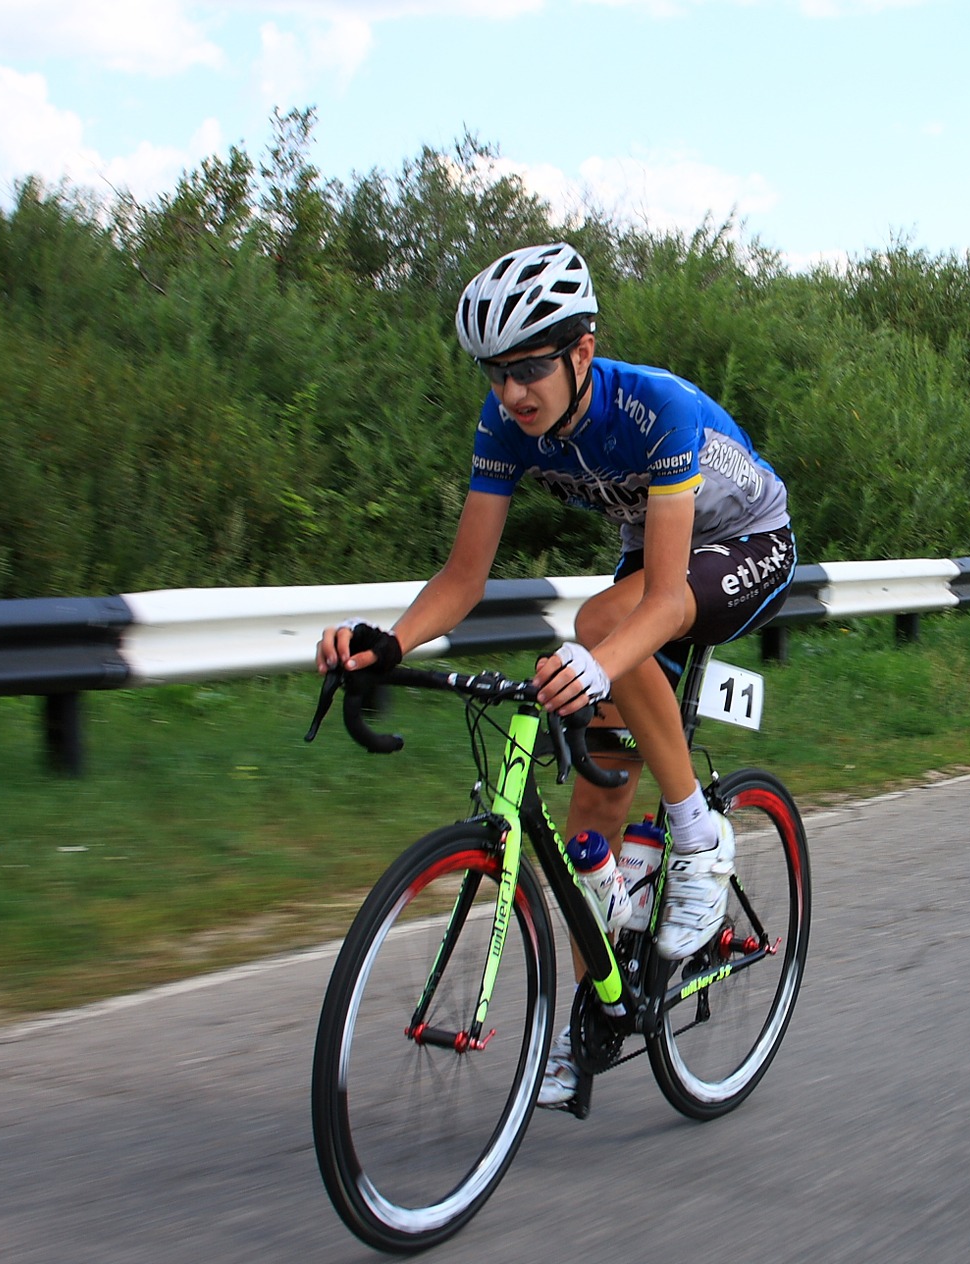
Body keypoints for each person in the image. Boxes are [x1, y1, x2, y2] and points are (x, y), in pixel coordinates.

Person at [317, 241, 795, 1107]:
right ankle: (597, 1017)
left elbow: (662, 601)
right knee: (595, 804)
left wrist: (595, 660)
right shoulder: (507, 423)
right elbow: (463, 580)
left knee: (599, 627)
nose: (512, 393)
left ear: (582, 351)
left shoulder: (654, 409)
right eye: (496, 373)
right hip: (660, 559)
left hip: (747, 545)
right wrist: (390, 644)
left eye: (530, 368)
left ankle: (699, 836)